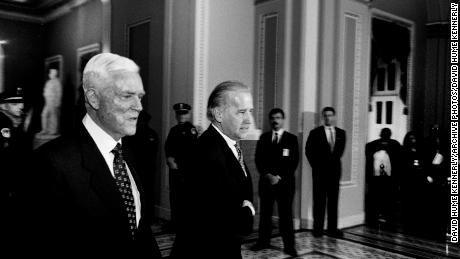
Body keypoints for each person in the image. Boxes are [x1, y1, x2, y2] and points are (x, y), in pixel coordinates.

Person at [22, 53, 161, 258]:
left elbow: (138, 229)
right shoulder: (51, 163)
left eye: (139, 97)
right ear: (93, 98)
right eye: (126, 95)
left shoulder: (128, 152)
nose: (138, 107)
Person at [171, 81, 255, 259]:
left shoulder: (224, 144)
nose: (249, 120)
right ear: (219, 114)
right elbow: (216, 219)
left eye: (250, 111)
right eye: (241, 112)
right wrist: (248, 212)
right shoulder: (207, 151)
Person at [251, 108, 299, 256]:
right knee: (265, 214)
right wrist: (268, 175)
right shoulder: (264, 138)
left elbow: (293, 162)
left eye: (278, 117)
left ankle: (289, 246)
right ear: (269, 120)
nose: (275, 120)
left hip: (285, 184)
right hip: (266, 183)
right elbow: (258, 159)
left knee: (285, 216)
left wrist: (278, 177)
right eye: (272, 118)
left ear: (283, 120)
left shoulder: (291, 139)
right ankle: (263, 241)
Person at [305, 107, 346, 237]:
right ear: (323, 117)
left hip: (335, 172)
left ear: (334, 117)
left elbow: (339, 153)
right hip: (319, 173)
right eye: (326, 116)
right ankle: (318, 229)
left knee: (333, 201)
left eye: (330, 115)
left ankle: (332, 229)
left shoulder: (341, 133)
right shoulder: (315, 132)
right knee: (319, 201)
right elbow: (308, 151)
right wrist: (316, 167)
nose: (328, 118)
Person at [0, 87, 28, 252]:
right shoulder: (3, 125)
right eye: (15, 103)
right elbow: (6, 159)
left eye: (22, 102)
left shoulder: (13, 121)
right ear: (3, 106)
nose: (21, 105)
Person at [164, 102, 199, 230]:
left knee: (186, 197)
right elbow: (168, 147)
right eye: (179, 113)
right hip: (174, 168)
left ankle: (184, 224)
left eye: (184, 113)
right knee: (175, 196)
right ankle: (175, 222)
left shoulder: (191, 129)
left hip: (187, 169)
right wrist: (170, 159)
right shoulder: (174, 130)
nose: (181, 116)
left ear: (189, 114)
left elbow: (192, 151)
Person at [124, 110, 159, 226]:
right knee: (145, 194)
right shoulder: (150, 134)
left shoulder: (134, 134)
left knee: (142, 194)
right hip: (144, 170)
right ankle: (147, 218)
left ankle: (144, 218)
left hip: (141, 170)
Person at [365, 128, 401, 225]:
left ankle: (388, 217)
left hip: (390, 177)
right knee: (376, 197)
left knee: (388, 198)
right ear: (381, 134)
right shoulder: (372, 145)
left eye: (387, 134)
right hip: (376, 177)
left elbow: (398, 162)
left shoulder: (395, 145)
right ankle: (375, 217)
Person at [38, 68, 62, 135]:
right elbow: (46, 91)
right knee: (44, 114)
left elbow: (59, 93)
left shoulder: (57, 82)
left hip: (53, 101)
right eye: (50, 73)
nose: (50, 74)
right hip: (47, 101)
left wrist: (58, 102)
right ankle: (45, 129)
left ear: (55, 73)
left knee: (53, 116)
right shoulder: (48, 82)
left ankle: (53, 130)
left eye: (52, 73)